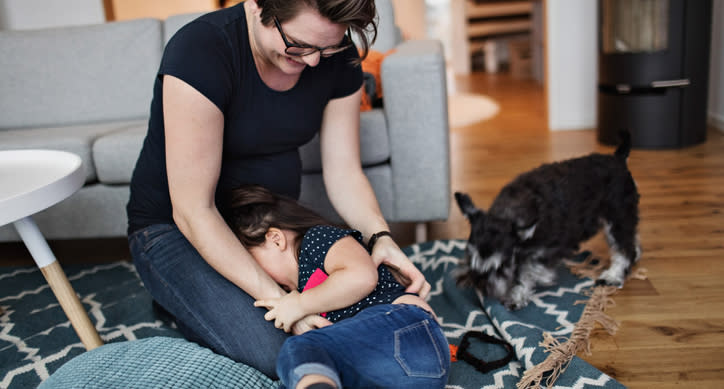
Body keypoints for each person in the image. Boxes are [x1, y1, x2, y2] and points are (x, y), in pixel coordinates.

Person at [125, 0, 431, 379]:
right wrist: (282, 300)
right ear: (257, 6)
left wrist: (380, 237)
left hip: (270, 224)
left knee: (347, 310)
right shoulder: (202, 50)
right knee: (281, 352)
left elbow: (344, 171)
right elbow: (193, 210)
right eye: (299, 45)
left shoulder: (333, 53)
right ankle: (178, 295)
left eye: (328, 48)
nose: (316, 62)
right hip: (175, 228)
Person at [226, 184, 450, 389]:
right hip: (395, 371)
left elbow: (362, 276)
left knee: (301, 349)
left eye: (252, 263)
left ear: (275, 239)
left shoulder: (315, 241)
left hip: (404, 330)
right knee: (309, 371)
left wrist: (300, 303)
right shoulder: (300, 286)